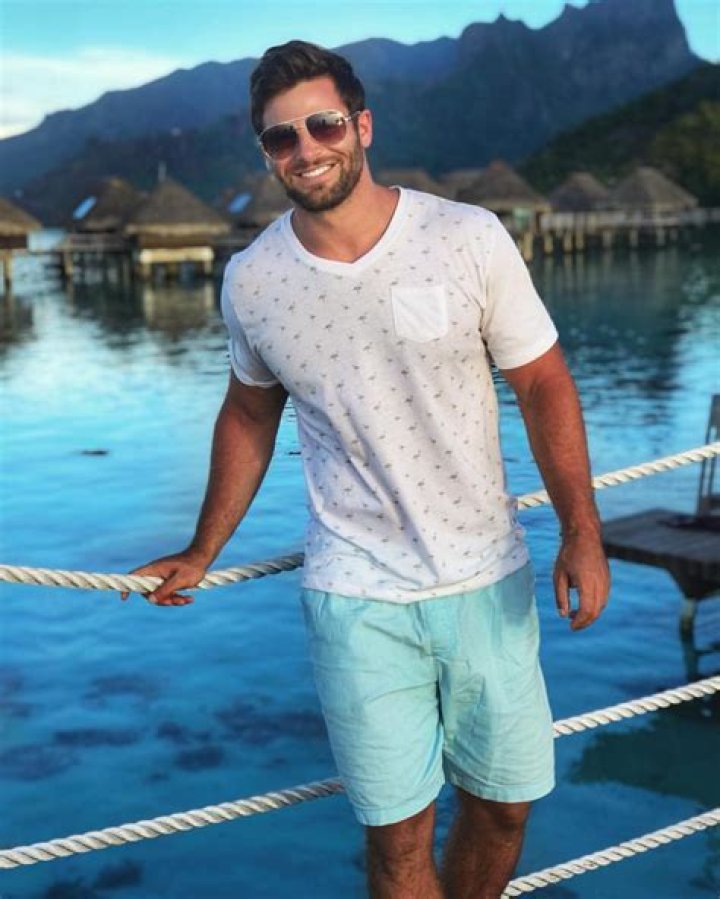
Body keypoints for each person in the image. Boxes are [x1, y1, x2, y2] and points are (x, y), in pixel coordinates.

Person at [126, 40, 610, 899]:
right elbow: (248, 412)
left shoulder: (466, 237)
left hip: (486, 575)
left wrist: (582, 530)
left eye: (323, 125)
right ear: (266, 152)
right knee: (396, 838)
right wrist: (202, 549)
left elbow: (543, 382)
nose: (306, 149)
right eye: (281, 137)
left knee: (504, 806)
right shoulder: (254, 279)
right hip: (355, 594)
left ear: (362, 126)